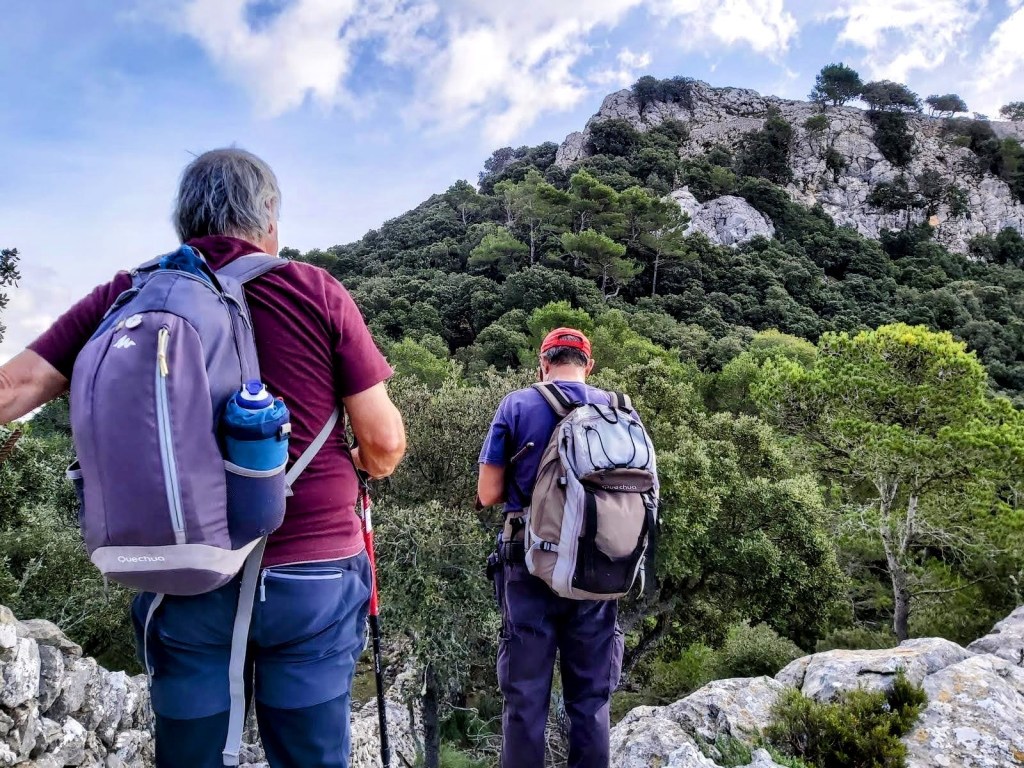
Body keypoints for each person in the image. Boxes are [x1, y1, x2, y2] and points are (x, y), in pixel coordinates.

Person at [0, 148, 406, 768]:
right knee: (311, 755)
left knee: (189, 752)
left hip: (180, 571)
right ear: (269, 217)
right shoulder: (314, 289)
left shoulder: (130, 294)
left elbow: (16, 388)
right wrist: (364, 463)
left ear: (185, 223)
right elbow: (383, 441)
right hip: (311, 576)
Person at [477, 327, 626, 768]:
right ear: (588, 366)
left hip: (529, 568)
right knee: (591, 702)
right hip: (598, 570)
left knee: (525, 703)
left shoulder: (518, 404)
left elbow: (487, 493)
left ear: (543, 363)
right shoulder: (617, 409)